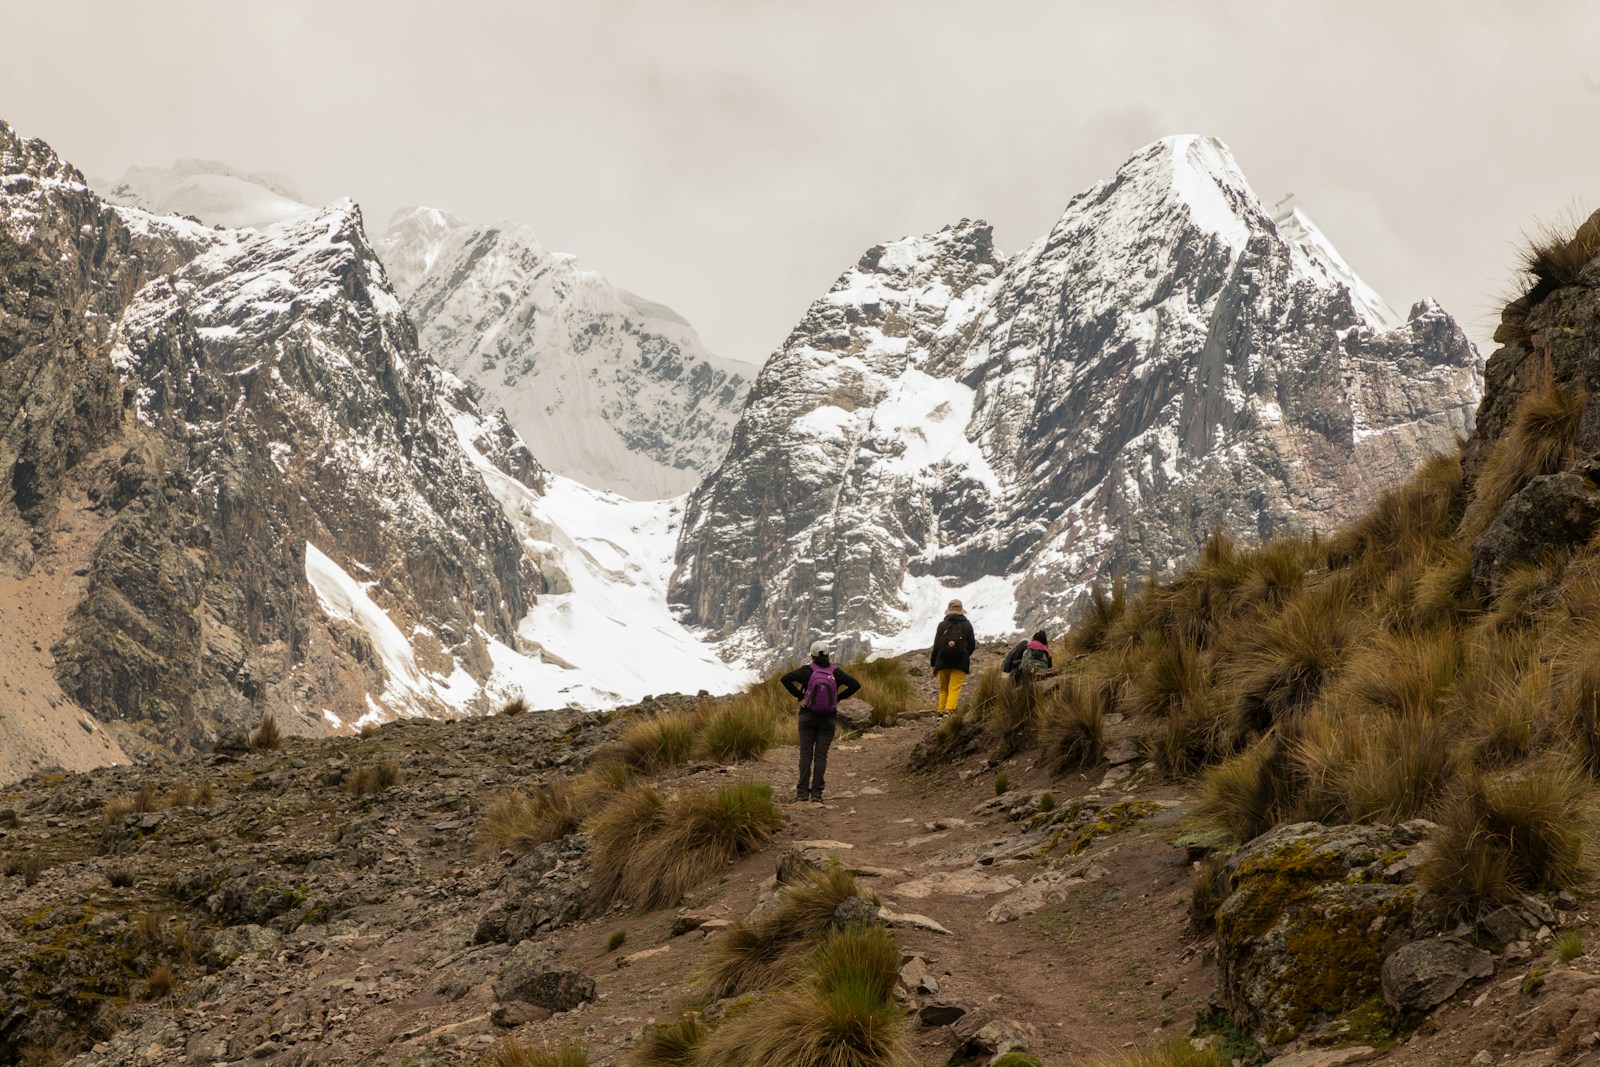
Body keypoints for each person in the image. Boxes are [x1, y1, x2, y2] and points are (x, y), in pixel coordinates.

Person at [780, 640, 861, 802]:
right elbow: (855, 685)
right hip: (828, 719)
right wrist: (838, 698)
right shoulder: (835, 672)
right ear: (828, 654)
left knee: (805, 753)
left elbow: (785, 679)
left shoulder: (807, 671)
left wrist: (800, 696)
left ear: (812, 655)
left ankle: (802, 792)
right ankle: (817, 794)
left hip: (807, 716)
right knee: (821, 756)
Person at [930, 599, 977, 714]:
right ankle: (949, 711)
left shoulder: (942, 625)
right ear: (961, 611)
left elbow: (936, 647)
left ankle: (941, 712)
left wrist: (933, 664)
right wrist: (964, 654)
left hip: (942, 661)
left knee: (943, 689)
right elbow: (972, 645)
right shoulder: (967, 625)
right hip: (960, 662)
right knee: (954, 688)